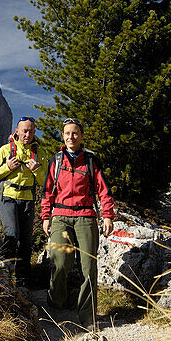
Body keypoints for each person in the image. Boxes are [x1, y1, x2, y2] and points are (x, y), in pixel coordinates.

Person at [40, 119, 114, 329]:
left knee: (88, 267)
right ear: (62, 136)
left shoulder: (91, 160)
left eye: (75, 133)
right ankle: (55, 303)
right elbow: (47, 192)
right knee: (60, 262)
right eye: (67, 133)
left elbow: (104, 191)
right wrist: (46, 217)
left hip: (86, 216)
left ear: (81, 136)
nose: (71, 137)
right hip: (60, 217)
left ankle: (87, 316)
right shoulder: (56, 160)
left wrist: (107, 215)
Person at [0, 116, 53, 284]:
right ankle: (5, 274)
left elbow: (47, 182)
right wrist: (7, 167)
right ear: (17, 131)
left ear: (34, 132)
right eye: (24, 131)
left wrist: (36, 170)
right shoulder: (5, 150)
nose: (27, 134)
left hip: (28, 200)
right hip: (8, 197)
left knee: (26, 240)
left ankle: (22, 278)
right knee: (11, 234)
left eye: (30, 131)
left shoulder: (40, 153)